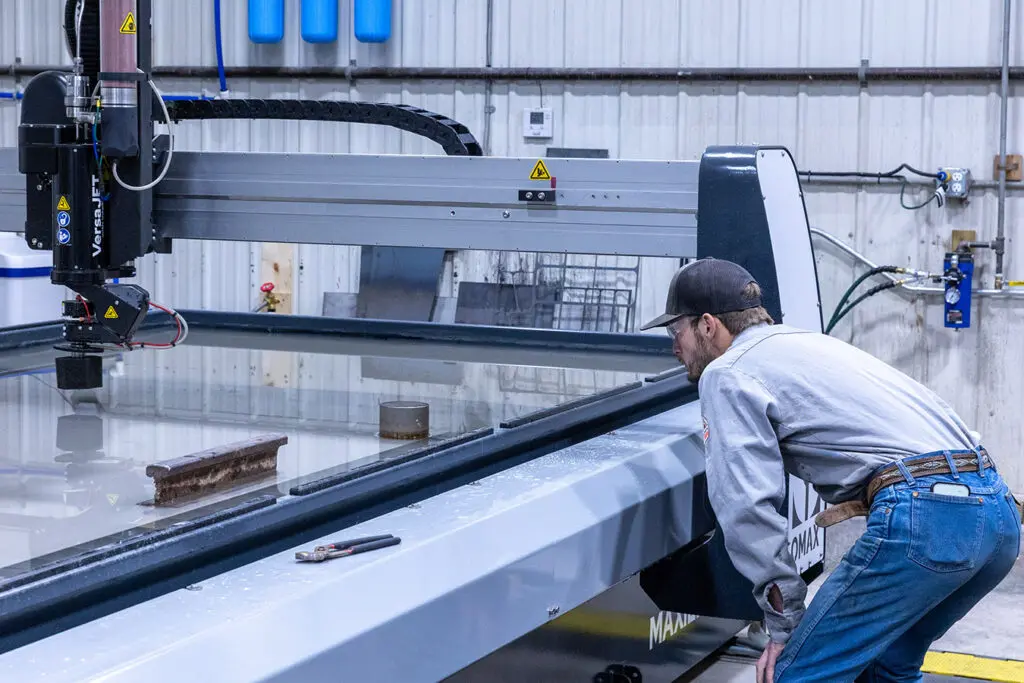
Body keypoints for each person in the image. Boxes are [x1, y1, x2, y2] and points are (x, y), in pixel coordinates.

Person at [640, 257, 1022, 683]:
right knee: (888, 667)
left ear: (708, 325)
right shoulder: (803, 344)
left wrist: (784, 621)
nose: (675, 347)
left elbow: (746, 506)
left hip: (930, 517)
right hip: (998, 517)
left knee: (798, 673)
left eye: (678, 332)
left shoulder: (727, 373)